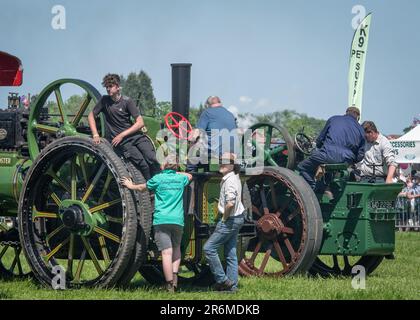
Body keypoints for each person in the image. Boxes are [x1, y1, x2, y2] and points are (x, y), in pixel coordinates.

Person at [121, 155, 192, 292]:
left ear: (162, 166)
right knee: (176, 249)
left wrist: (130, 185)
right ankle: (175, 279)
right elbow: (189, 176)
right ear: (176, 166)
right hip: (178, 221)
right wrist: (175, 171)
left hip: (162, 220)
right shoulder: (180, 179)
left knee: (166, 253)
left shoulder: (158, 179)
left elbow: (142, 188)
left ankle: (169, 284)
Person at [88, 73, 160, 180]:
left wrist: (122, 135)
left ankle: (161, 181)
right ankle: (149, 187)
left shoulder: (127, 101)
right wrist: (95, 134)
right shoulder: (104, 100)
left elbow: (140, 123)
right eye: (106, 87)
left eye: (111, 86)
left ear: (118, 87)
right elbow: (91, 116)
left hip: (135, 136)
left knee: (152, 158)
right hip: (122, 142)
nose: (108, 89)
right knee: (143, 164)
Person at [203, 153, 245, 293]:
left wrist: (224, 218)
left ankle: (222, 281)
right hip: (238, 218)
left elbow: (230, 203)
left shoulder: (230, 181)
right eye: (220, 161)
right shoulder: (234, 178)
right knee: (231, 253)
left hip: (230, 219)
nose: (221, 163)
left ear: (232, 165)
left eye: (225, 162)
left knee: (208, 248)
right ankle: (232, 287)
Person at [298, 107, 365, 191]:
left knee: (302, 166)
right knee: (328, 168)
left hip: (327, 154)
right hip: (346, 161)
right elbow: (361, 154)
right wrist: (351, 160)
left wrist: (320, 148)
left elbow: (319, 140)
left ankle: (313, 187)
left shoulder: (333, 119)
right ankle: (325, 188)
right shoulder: (361, 129)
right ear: (358, 117)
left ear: (346, 113)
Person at [187, 96, 238, 171]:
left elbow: (196, 134)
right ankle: (205, 173)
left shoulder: (207, 112)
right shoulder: (230, 114)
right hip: (232, 151)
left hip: (216, 152)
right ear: (220, 103)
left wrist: (190, 139)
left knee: (193, 151)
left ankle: (191, 175)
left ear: (207, 105)